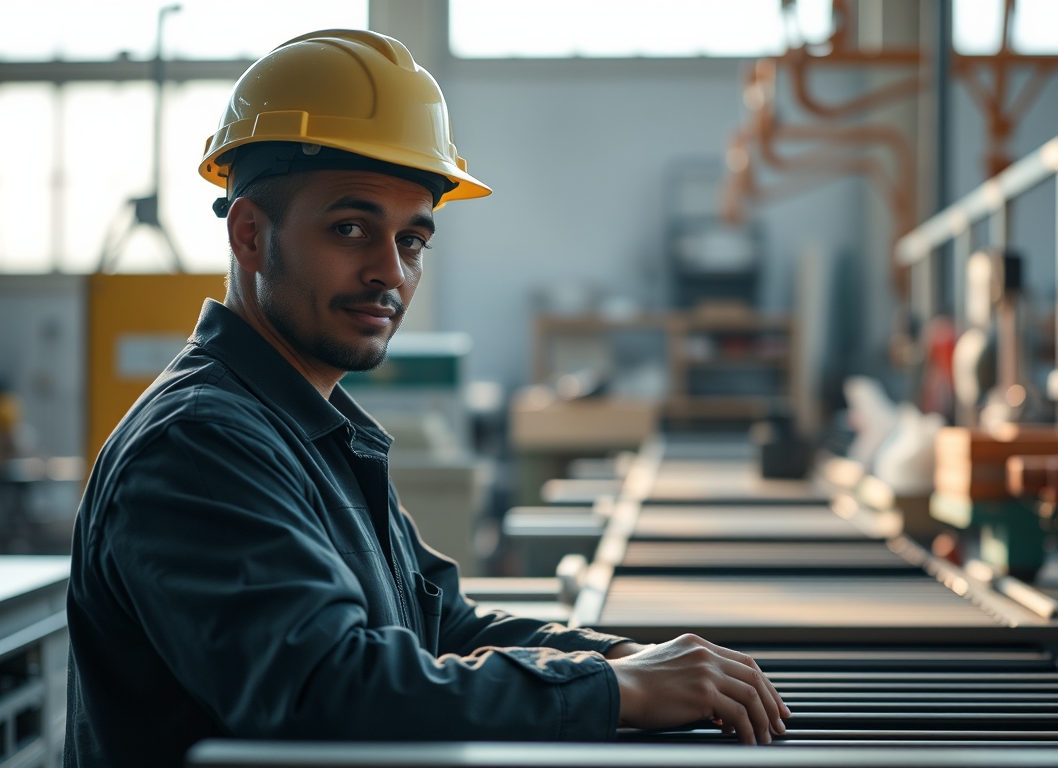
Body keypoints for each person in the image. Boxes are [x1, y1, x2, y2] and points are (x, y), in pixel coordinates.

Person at [64, 29, 789, 768]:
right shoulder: (199, 444)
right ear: (251, 235)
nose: (390, 272)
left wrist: (624, 655)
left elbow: (443, 626)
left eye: (412, 241)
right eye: (351, 228)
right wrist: (611, 689)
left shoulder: (309, 429)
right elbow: (325, 692)